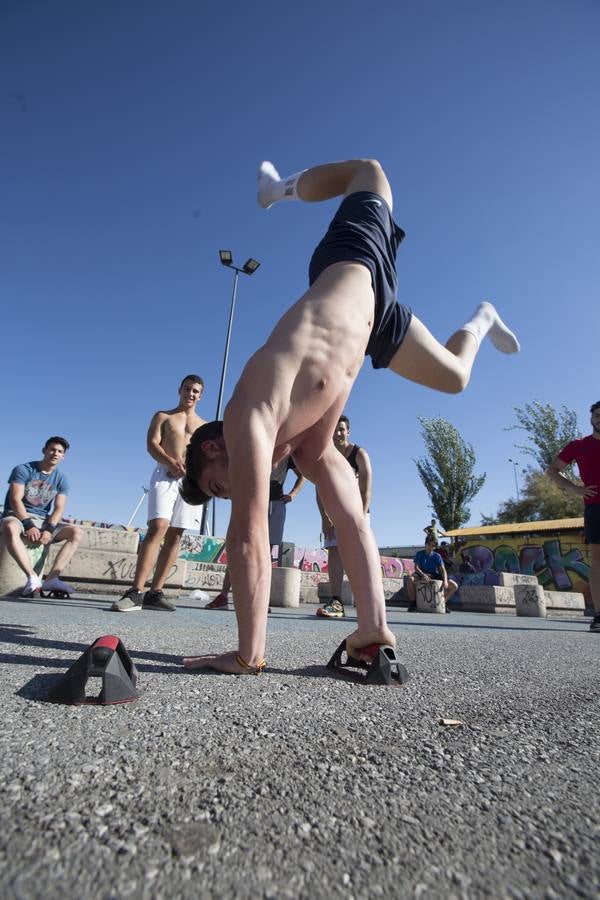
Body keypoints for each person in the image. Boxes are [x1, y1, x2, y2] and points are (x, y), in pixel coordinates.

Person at [180, 156, 519, 674]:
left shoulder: (248, 412)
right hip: (376, 317)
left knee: (370, 172)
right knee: (455, 377)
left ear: (213, 448)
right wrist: (372, 632)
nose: (238, 489)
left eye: (218, 485)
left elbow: (248, 536)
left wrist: (249, 655)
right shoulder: (306, 442)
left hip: (349, 268)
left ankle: (276, 188)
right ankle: (483, 318)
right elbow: (352, 516)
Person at [112, 375, 206, 612]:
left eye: (195, 391)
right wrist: (170, 462)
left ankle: (156, 592)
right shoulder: (163, 416)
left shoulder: (204, 426)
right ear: (179, 390)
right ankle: (135, 592)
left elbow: (207, 454)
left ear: (200, 395)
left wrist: (193, 471)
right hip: (165, 475)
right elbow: (152, 444)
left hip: (190, 479)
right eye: (187, 389)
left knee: (176, 534)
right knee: (158, 527)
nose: (190, 394)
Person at [205, 455, 305, 609]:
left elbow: (302, 474)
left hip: (275, 503)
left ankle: (260, 600)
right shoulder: (254, 443)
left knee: (265, 553)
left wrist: (293, 494)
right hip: (250, 500)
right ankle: (223, 596)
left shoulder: (287, 453)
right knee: (238, 547)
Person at [0, 437, 83, 597]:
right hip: (17, 515)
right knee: (10, 527)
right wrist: (28, 524)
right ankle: (32, 577)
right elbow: (15, 499)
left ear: (63, 456)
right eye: (52, 449)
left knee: (76, 533)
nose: (55, 453)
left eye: (60, 451)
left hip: (42, 519)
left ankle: (52, 579)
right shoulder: (24, 469)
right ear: (44, 451)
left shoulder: (61, 479)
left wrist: (49, 529)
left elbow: (59, 508)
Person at [546, 400, 600, 633]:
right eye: (597, 415)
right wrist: (576, 489)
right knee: (598, 561)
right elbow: (552, 471)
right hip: (595, 507)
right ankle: (599, 615)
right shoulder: (579, 446)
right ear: (591, 419)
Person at [316, 415, 372, 618]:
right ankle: (336, 601)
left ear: (348, 431)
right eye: (334, 429)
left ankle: (367, 604)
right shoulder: (325, 456)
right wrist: (324, 517)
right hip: (333, 513)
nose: (338, 433)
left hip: (356, 513)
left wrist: (362, 517)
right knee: (335, 554)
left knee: (359, 556)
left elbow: (366, 488)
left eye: (341, 429)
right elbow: (319, 488)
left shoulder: (359, 454)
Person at [406, 538, 458, 610]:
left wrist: (445, 581)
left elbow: (443, 570)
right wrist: (423, 575)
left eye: (433, 546)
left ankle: (442, 603)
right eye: (429, 545)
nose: (431, 547)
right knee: (410, 579)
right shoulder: (419, 553)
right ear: (426, 544)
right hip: (421, 573)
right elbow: (416, 568)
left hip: (433, 574)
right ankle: (413, 604)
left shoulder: (437, 556)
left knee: (454, 586)